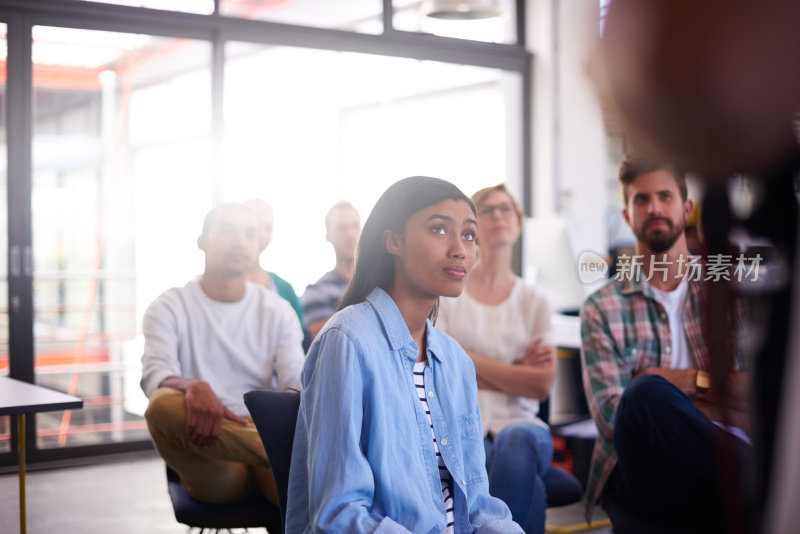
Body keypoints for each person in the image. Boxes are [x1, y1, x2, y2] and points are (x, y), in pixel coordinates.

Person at [286, 176, 524, 534]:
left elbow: (478, 506)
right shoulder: (346, 340)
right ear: (393, 241)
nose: (460, 248)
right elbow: (338, 514)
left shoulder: (455, 361)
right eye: (439, 230)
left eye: (469, 234)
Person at [580, 156, 753, 532]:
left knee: (649, 388)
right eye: (641, 199)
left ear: (686, 208)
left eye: (664, 196)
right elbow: (615, 419)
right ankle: (755, 475)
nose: (654, 207)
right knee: (644, 395)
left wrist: (687, 383)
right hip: (646, 475)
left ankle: (746, 476)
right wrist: (710, 398)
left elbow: (756, 396)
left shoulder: (728, 293)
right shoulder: (601, 308)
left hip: (716, 467)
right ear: (627, 216)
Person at [140, 203, 305, 505]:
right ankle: (284, 451)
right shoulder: (168, 306)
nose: (240, 241)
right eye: (228, 230)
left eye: (250, 234)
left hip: (259, 429)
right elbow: (154, 376)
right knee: (162, 405)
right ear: (202, 242)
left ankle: (278, 452)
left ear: (258, 246)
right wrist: (191, 386)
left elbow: (296, 379)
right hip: (208, 448)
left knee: (304, 417)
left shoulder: (277, 311)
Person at [436, 183, 555, 534]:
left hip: (526, 428)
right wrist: (516, 372)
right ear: (473, 227)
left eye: (507, 209)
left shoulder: (535, 300)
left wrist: (467, 362)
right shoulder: (450, 293)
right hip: (463, 428)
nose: (499, 215)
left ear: (518, 224)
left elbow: (541, 385)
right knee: (533, 488)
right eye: (487, 209)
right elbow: (439, 372)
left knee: (515, 440)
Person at [301, 201, 361, 339]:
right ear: (328, 234)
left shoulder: (383, 283)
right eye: (342, 228)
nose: (351, 234)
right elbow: (330, 340)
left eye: (355, 226)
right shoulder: (316, 292)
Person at [244, 198, 304, 324]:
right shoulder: (221, 286)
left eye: (268, 228)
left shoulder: (285, 288)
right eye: (257, 226)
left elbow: (302, 339)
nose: (263, 235)